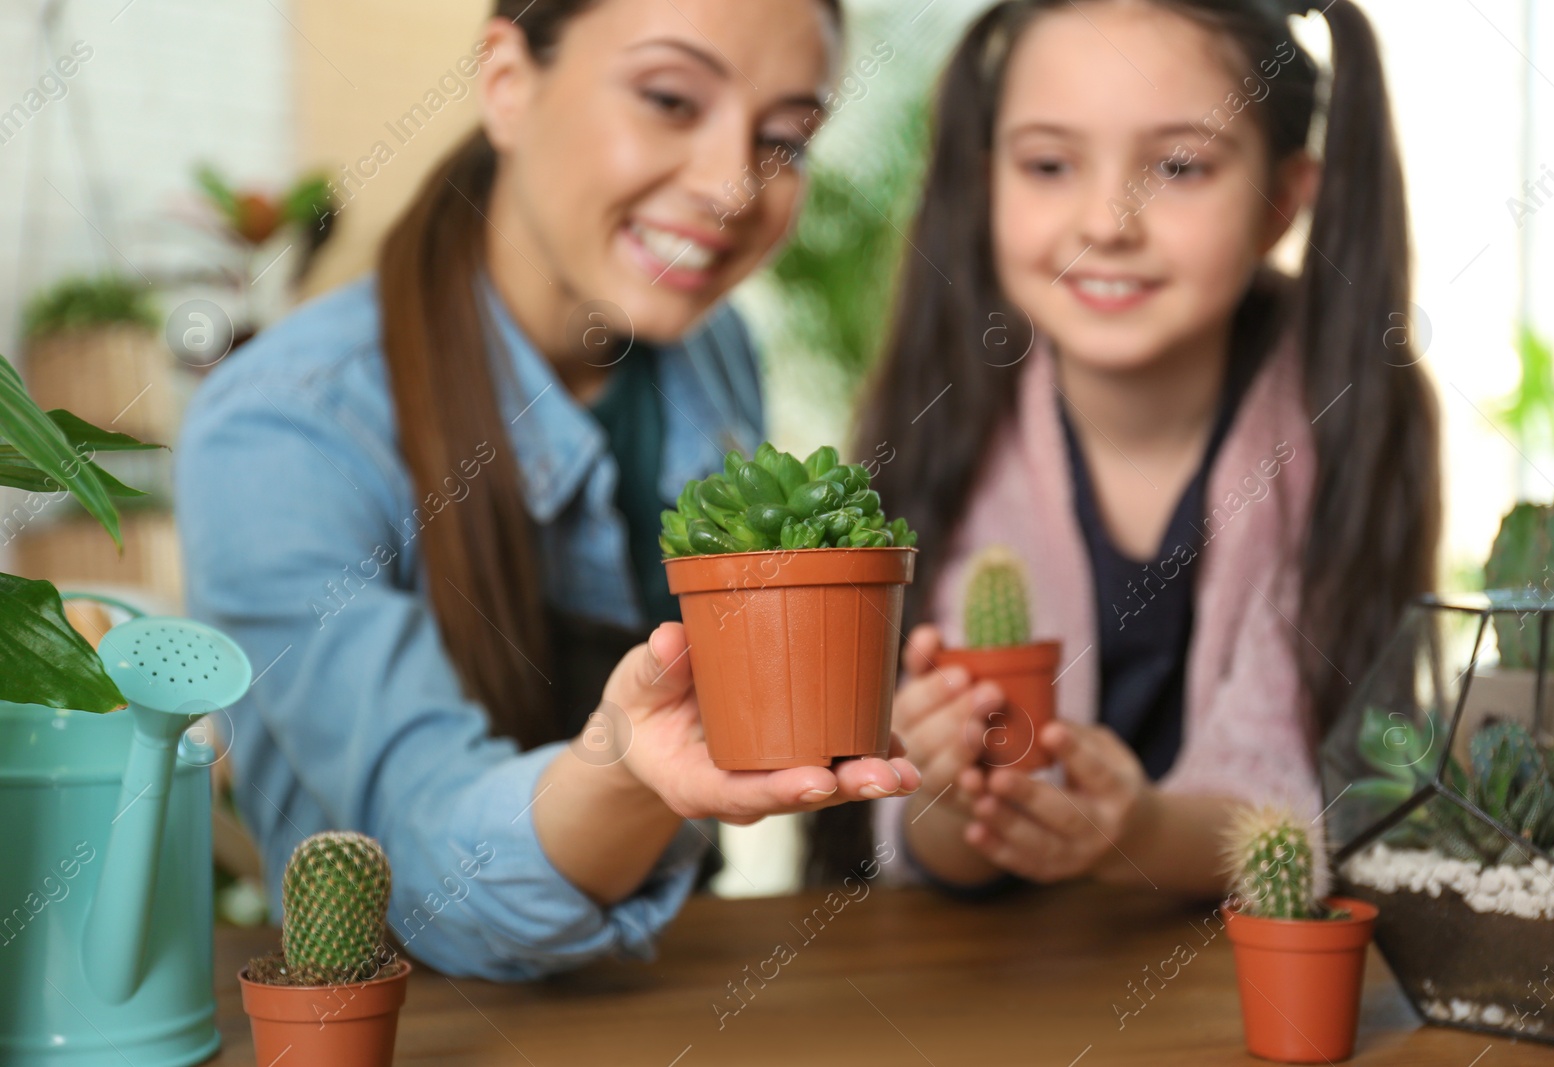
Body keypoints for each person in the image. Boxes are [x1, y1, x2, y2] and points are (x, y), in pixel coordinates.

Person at [177, 0, 918, 981]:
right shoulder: (283, 424)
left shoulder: (711, 350)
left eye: (784, 137)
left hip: (681, 989)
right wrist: (629, 772)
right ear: (507, 83)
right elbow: (418, 854)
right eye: (667, 98)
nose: (733, 184)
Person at [809, 0, 1438, 894]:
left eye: (1179, 166)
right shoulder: (947, 411)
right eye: (1049, 164)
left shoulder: (1348, 413)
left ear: (1282, 202)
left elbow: (1322, 792)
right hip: (988, 985)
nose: (1107, 221)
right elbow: (924, 847)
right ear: (989, 180)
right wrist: (948, 800)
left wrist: (1133, 832)